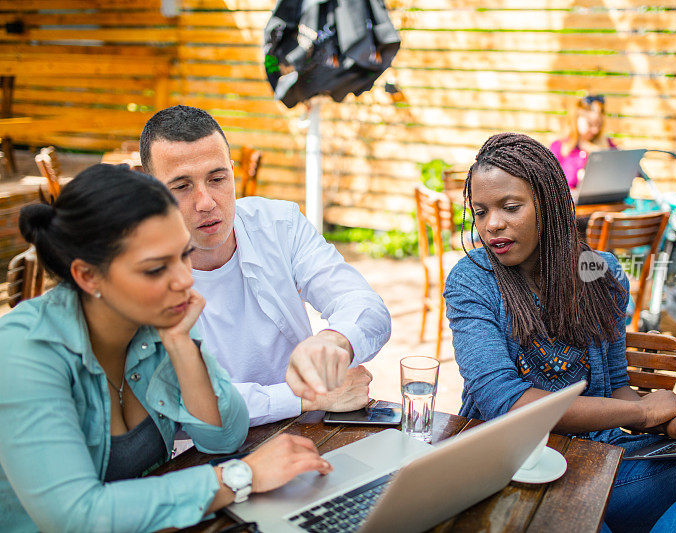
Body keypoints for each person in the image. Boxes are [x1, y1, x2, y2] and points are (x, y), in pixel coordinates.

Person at [444, 133, 676, 532]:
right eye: (481, 211)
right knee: (586, 522)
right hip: (513, 470)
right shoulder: (472, 281)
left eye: (510, 207)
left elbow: (616, 387)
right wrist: (643, 411)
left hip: (604, 463)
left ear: (551, 205)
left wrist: (662, 423)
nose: (492, 225)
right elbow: (507, 404)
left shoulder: (600, 273)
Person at [0, 164, 333, 532]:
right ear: (87, 276)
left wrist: (181, 345)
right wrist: (240, 477)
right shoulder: (25, 352)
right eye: (156, 268)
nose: (185, 280)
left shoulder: (153, 320)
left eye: (184, 254)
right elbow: (77, 517)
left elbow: (223, 436)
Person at [139, 106, 391, 426]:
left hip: (305, 432)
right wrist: (302, 398)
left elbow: (366, 307)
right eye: (182, 187)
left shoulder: (279, 223)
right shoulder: (137, 269)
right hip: (202, 457)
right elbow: (176, 402)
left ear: (232, 172)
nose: (206, 202)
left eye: (217, 179)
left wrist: (336, 341)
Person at [550, 94, 617, 189]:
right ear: (576, 119)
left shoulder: (608, 144)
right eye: (590, 124)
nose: (595, 130)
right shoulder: (558, 147)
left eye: (599, 124)